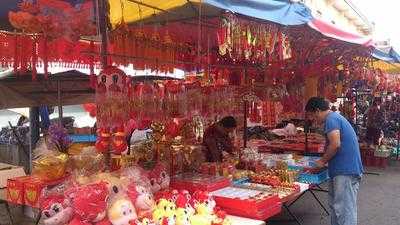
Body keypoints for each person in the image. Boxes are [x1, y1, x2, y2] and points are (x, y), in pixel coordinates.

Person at [305, 97, 363, 225]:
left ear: (318, 111)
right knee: (338, 207)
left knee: (344, 210)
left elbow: (335, 144)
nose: (312, 119)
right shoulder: (334, 118)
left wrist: (322, 161)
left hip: (345, 170)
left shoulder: (331, 119)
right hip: (342, 170)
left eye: (311, 115)